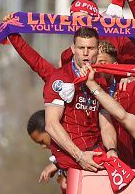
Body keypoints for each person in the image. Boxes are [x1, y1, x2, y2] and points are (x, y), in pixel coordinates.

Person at [43, 27, 117, 172]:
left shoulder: (99, 80)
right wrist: (79, 156)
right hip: (72, 159)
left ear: (97, 49)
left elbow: (106, 123)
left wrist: (112, 149)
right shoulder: (60, 78)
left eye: (90, 48)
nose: (85, 53)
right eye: (81, 47)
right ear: (73, 49)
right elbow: (51, 125)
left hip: (95, 153)